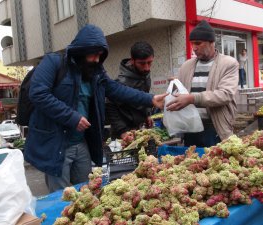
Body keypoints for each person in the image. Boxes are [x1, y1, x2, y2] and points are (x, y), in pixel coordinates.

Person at [24, 24, 166, 192]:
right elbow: (38, 94)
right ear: (81, 50)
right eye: (94, 54)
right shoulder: (54, 62)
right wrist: (72, 117)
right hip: (57, 144)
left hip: (81, 142)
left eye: (100, 55)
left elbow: (116, 89)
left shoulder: (95, 72)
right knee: (61, 197)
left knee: (86, 192)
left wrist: (150, 99)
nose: (97, 60)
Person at [166, 20, 239, 147]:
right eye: (192, 44)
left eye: (198, 43)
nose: (194, 48)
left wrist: (192, 98)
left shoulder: (229, 63)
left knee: (215, 163)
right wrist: (173, 90)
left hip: (215, 127)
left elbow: (225, 94)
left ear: (211, 43)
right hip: (190, 127)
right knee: (192, 163)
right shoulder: (186, 66)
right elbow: (181, 94)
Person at [106, 41, 154, 139]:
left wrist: (147, 115)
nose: (146, 68)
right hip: (121, 135)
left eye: (149, 63)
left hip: (139, 130)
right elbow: (110, 106)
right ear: (132, 61)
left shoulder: (145, 75)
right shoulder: (121, 82)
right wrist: (122, 131)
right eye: (142, 63)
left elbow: (143, 97)